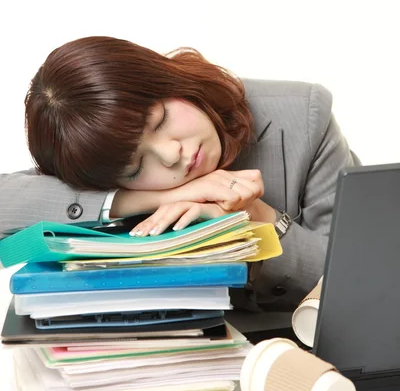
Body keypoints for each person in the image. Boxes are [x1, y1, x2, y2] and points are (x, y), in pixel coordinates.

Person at [0, 36, 359, 310]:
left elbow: (362, 281)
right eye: (136, 166)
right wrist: (159, 197)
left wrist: (258, 217)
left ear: (166, 79)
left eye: (160, 120)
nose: (172, 155)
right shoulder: (101, 165)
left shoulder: (303, 117)